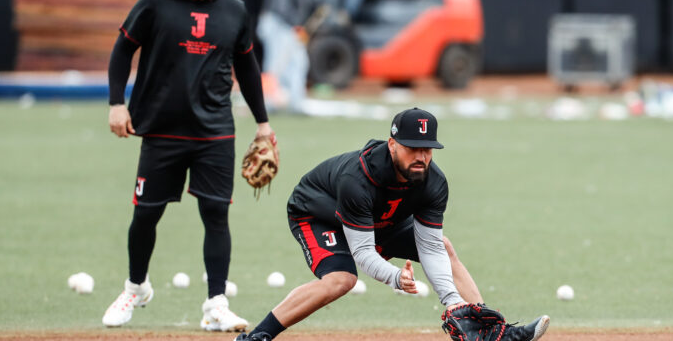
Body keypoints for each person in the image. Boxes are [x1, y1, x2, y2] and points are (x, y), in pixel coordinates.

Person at [235, 108, 549, 341]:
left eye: (427, 149)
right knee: (341, 279)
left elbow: (429, 246)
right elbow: (363, 252)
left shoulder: (433, 183)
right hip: (317, 213)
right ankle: (257, 336)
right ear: (392, 144)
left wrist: (453, 303)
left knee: (444, 247)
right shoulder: (357, 179)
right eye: (413, 147)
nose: (421, 157)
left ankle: (490, 332)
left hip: (378, 219)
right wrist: (396, 278)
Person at [102, 0, 276, 332]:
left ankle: (216, 303)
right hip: (162, 129)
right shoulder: (155, 0)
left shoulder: (235, 10)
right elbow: (122, 49)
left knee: (216, 214)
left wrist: (263, 124)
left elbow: (247, 66)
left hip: (214, 132)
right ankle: (136, 287)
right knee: (147, 214)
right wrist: (117, 103)